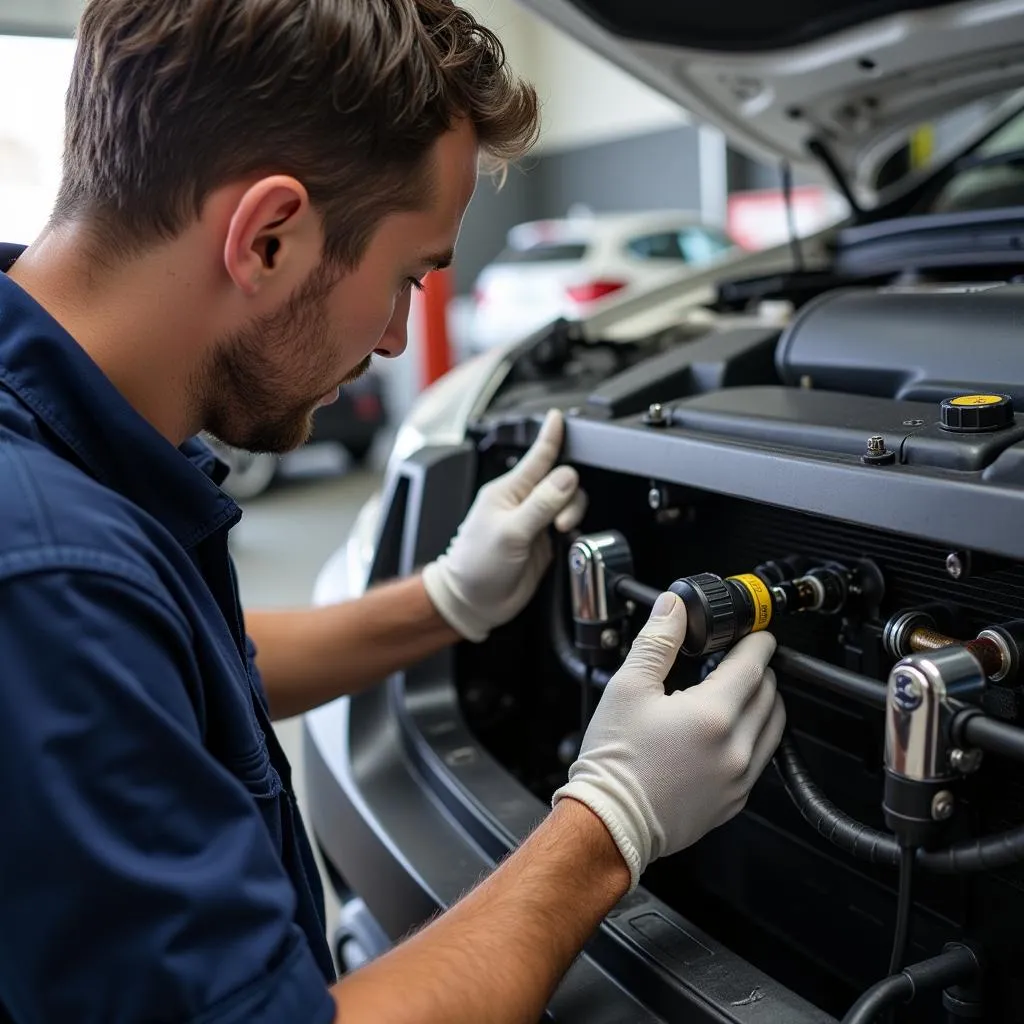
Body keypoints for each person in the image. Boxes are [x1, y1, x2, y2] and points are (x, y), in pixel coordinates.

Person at [0, 1, 786, 1022]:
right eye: (407, 275)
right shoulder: (45, 571)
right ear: (269, 238)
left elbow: (169, 667)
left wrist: (447, 601)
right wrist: (608, 822)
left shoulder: (71, 467)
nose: (389, 338)